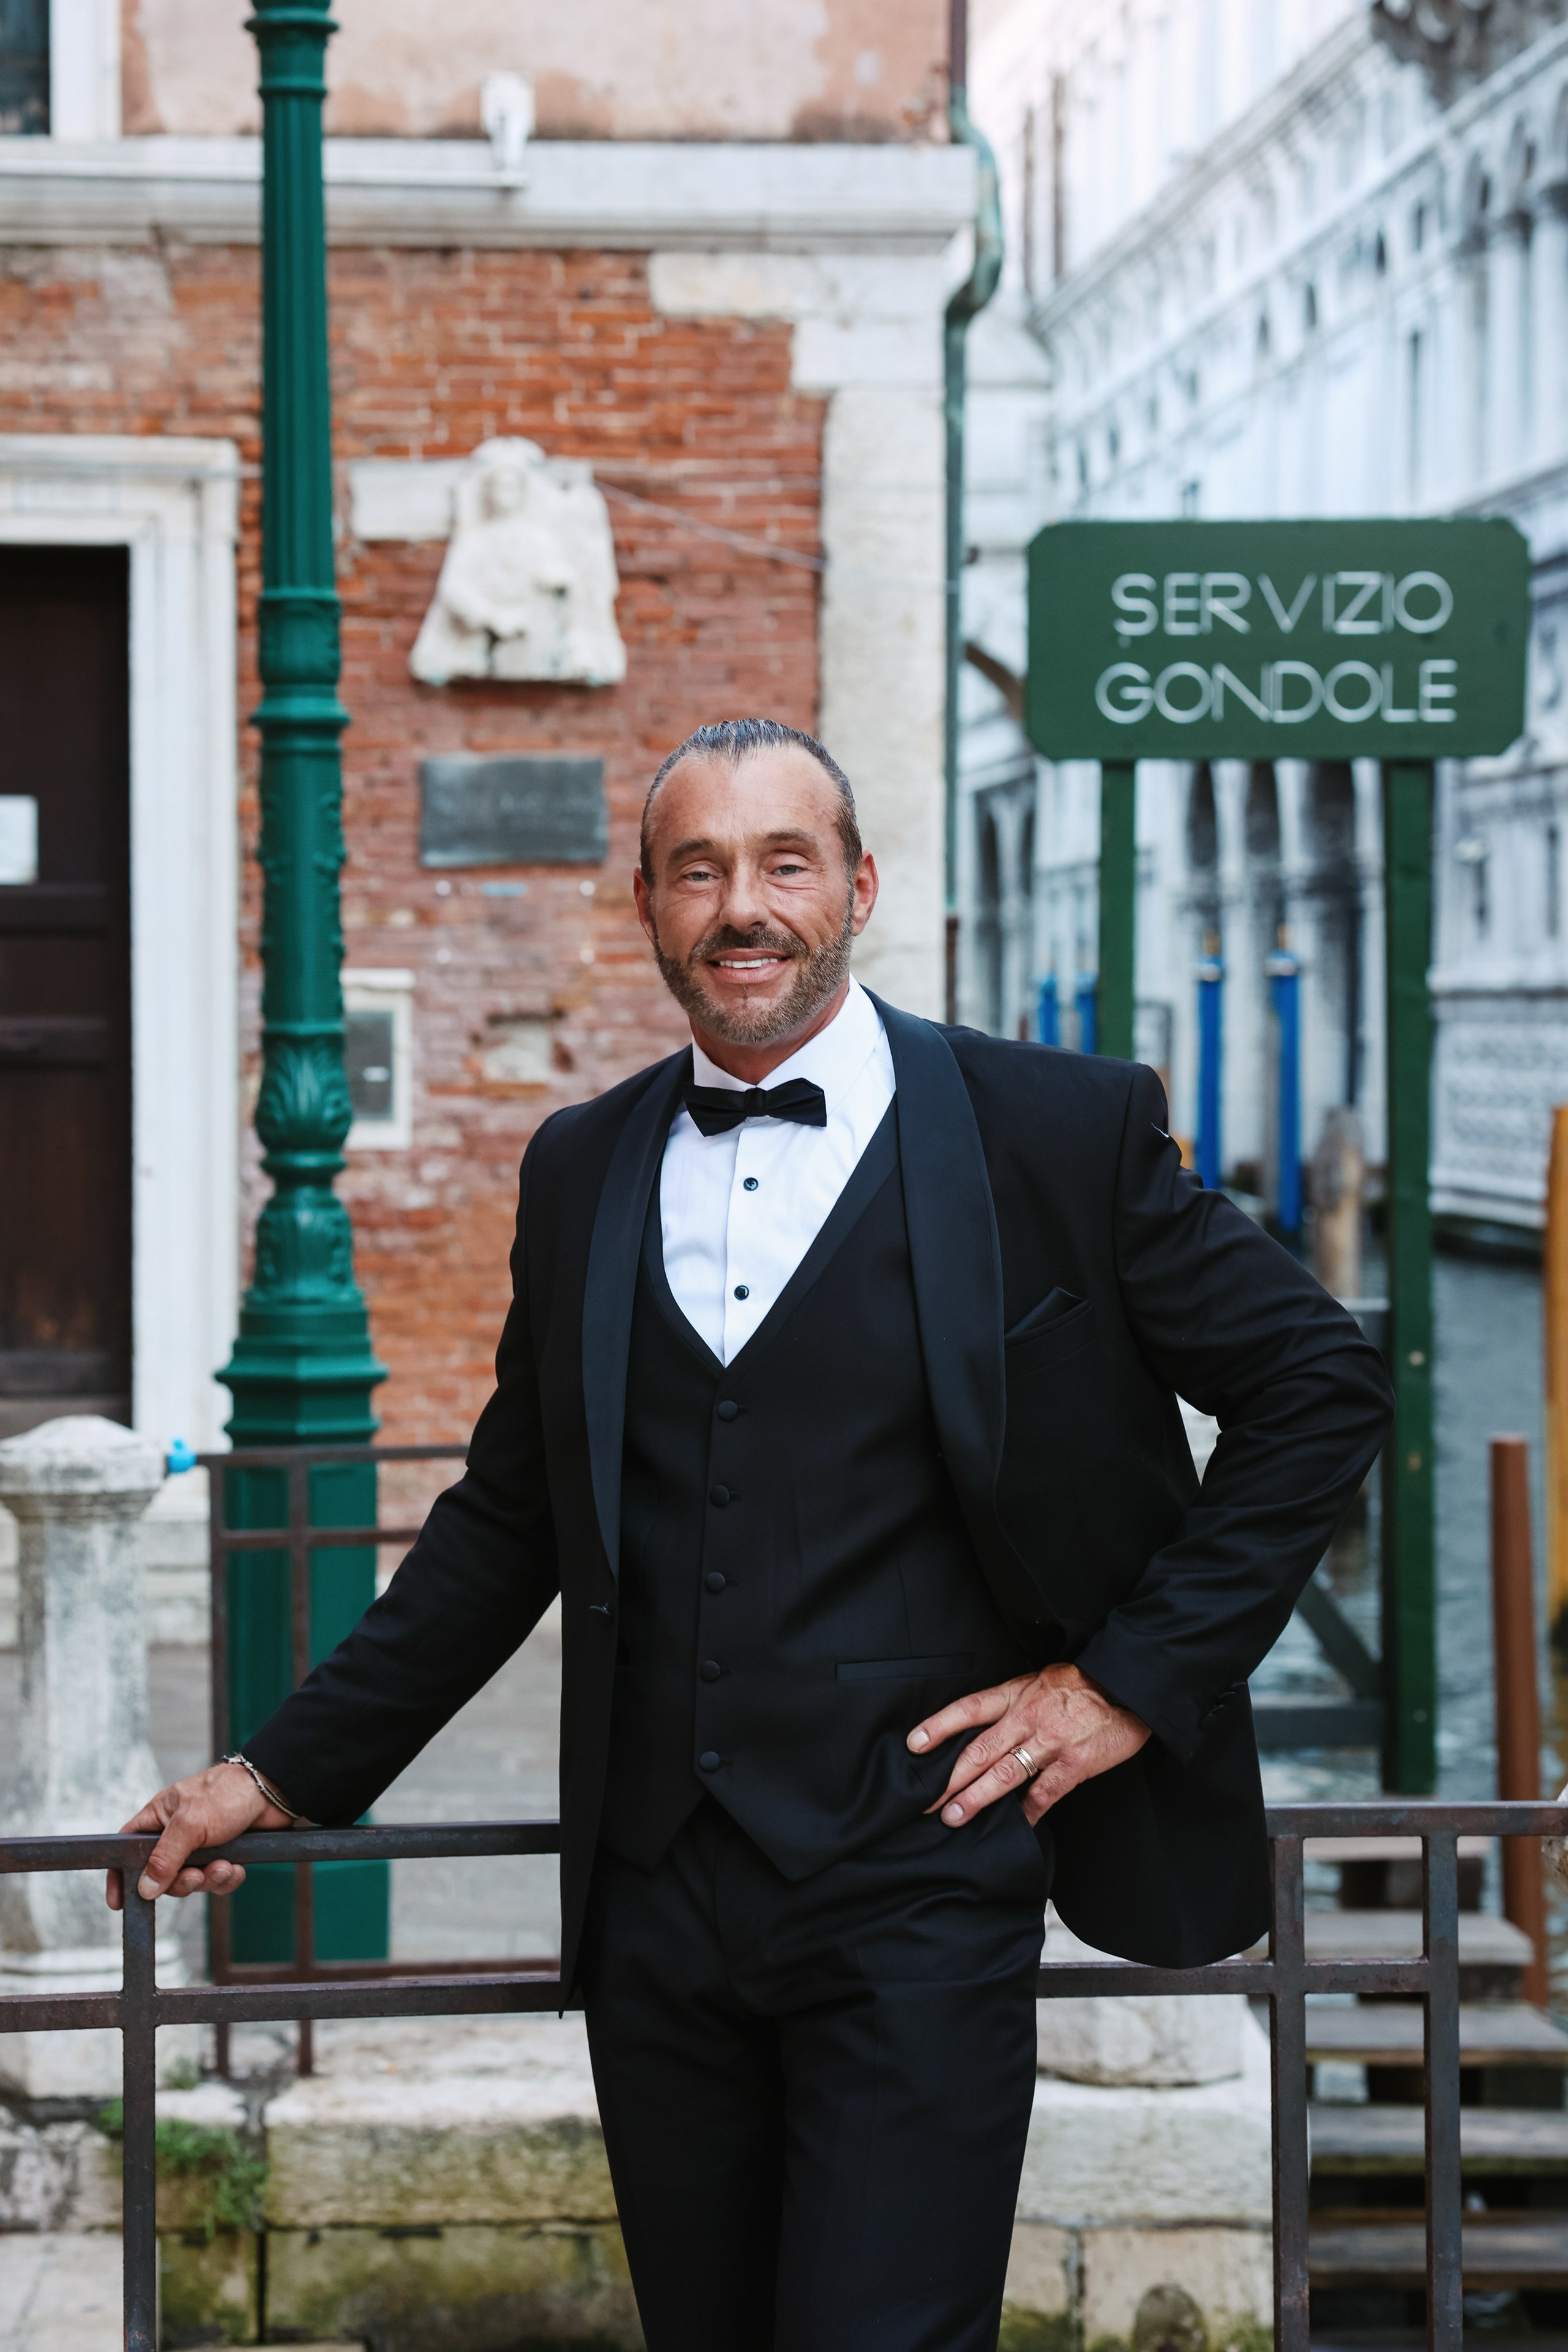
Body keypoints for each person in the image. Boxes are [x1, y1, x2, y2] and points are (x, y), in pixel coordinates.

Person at [110, 718, 1393, 2351]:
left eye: (785, 862)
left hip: (918, 1891)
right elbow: (508, 1520)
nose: (744, 907)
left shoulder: (1053, 1130)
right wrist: (276, 1772)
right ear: (645, 903)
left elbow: (1321, 1383)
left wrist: (1125, 1681)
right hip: (658, 1910)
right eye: (699, 869)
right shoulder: (579, 1165)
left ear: (857, 886)